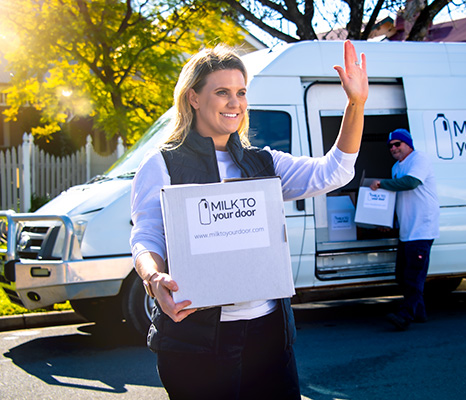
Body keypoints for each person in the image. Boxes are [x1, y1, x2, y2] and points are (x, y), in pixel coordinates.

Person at [130, 40, 368, 399]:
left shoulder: (263, 163)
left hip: (269, 335)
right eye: (222, 92)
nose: (235, 103)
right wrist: (153, 277)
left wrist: (356, 103)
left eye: (241, 92)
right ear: (193, 97)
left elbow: (334, 172)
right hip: (197, 340)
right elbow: (147, 237)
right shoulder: (161, 164)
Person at [370, 128, 439, 331]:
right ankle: (419, 312)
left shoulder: (420, 159)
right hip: (407, 230)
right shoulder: (395, 167)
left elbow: (411, 182)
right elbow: (396, 196)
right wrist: (387, 222)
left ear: (408, 144)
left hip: (422, 229)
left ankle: (405, 314)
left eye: (397, 144)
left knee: (413, 276)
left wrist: (381, 184)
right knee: (402, 275)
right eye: (390, 146)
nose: (393, 148)